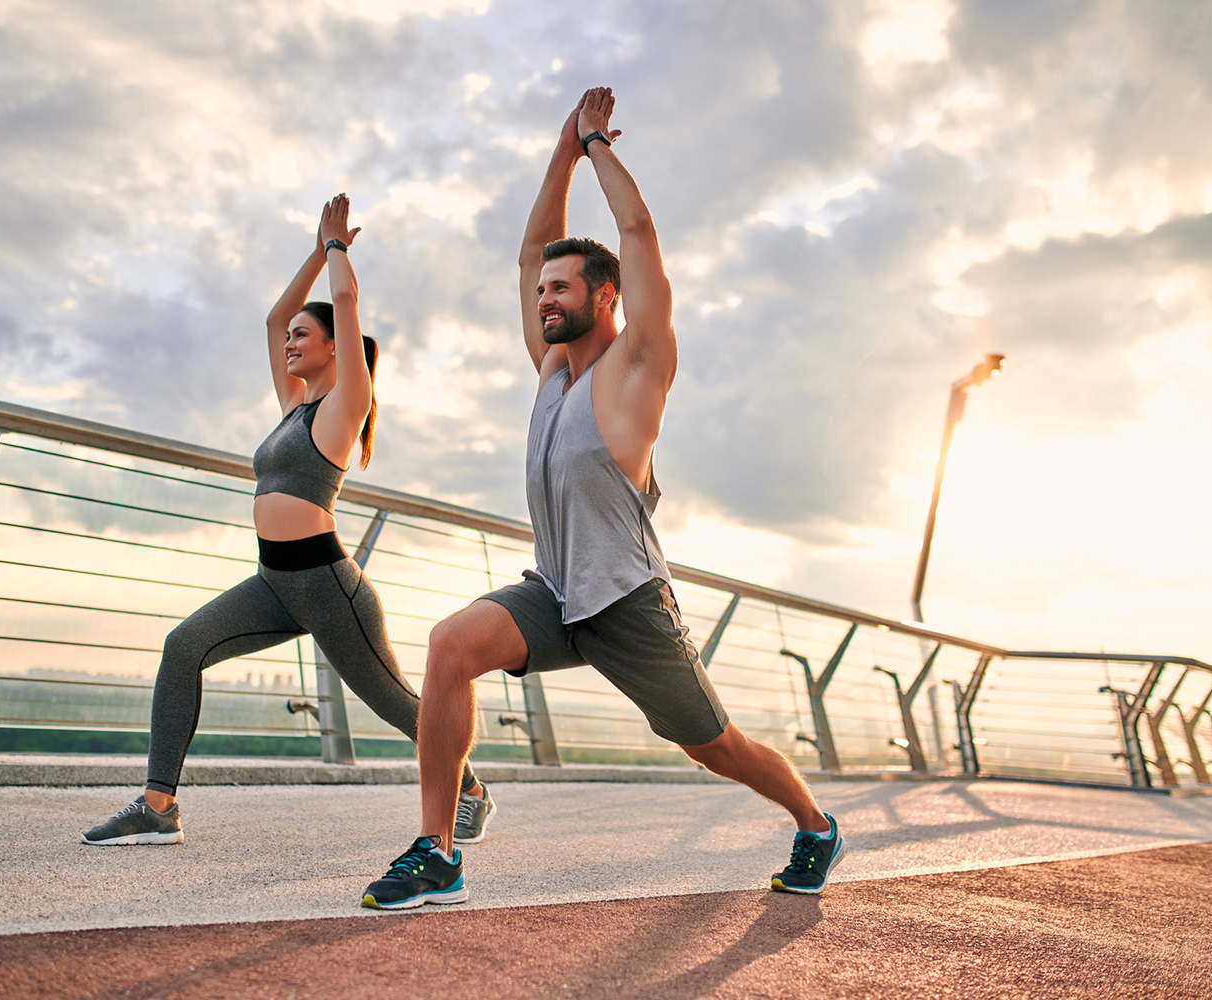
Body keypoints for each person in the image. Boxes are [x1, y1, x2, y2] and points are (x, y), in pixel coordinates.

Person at [360, 90, 843, 910]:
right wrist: (560, 154)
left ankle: (816, 824)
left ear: (606, 296)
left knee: (716, 748)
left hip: (626, 602)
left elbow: (640, 235)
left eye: (561, 288)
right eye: (543, 289)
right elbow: (526, 255)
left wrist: (596, 145)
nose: (544, 297)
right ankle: (438, 853)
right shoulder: (552, 372)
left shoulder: (636, 370)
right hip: (555, 591)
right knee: (450, 646)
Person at [82, 194, 494, 847]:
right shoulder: (294, 408)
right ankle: (157, 806)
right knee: (183, 647)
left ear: (336, 348)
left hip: (330, 589)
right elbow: (276, 317)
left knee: (394, 703)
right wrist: (312, 248)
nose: (292, 342)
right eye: (294, 338)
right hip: (274, 582)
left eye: (306, 336)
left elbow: (349, 306)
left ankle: (471, 789)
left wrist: (337, 249)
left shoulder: (342, 407)